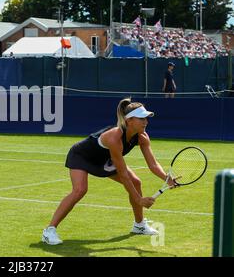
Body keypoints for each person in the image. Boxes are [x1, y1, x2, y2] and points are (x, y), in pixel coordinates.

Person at [41, 98, 177, 245]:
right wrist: (138, 199)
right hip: (82, 156)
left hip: (104, 160)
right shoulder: (114, 137)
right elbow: (123, 174)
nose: (145, 122)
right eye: (141, 118)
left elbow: (153, 164)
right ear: (129, 120)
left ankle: (139, 225)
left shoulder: (143, 137)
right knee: (80, 190)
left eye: (146, 118)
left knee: (136, 182)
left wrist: (166, 178)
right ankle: (49, 231)